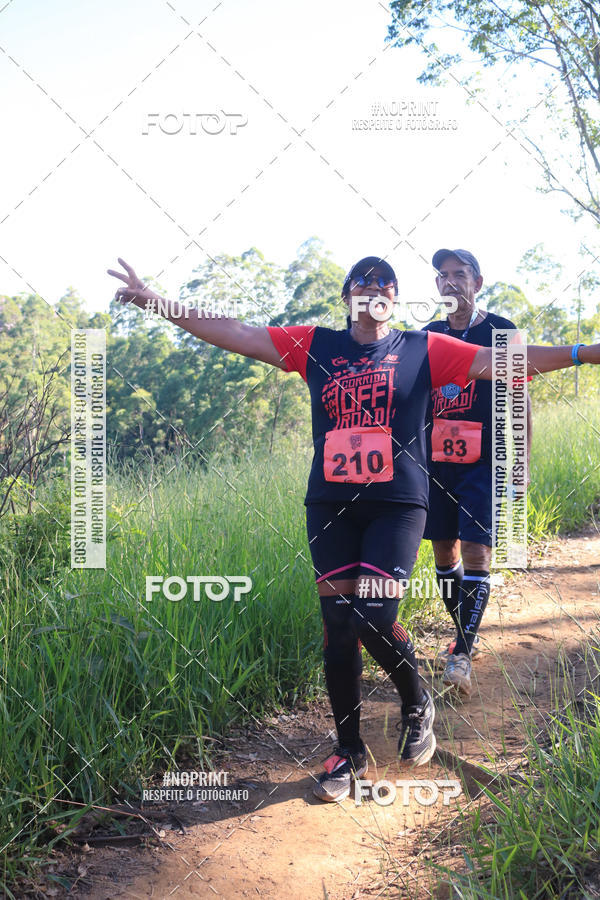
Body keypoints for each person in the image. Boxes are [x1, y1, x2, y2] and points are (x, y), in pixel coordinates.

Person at [108, 254, 599, 802]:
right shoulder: (314, 345)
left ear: (394, 299)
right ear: (347, 297)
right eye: (363, 282)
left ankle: (416, 701)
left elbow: (508, 359)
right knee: (337, 627)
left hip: (397, 506)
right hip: (331, 505)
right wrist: (155, 301)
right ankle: (349, 750)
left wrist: (585, 352)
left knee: (375, 616)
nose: (374, 289)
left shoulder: (423, 348)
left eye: (385, 283)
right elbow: (236, 332)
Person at [422, 249, 533, 698]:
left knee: (476, 553)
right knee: (443, 553)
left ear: (478, 282)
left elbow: (521, 398)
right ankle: (463, 635)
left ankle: (462, 653)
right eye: (442, 276)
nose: (450, 283)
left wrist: (520, 463)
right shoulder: (426, 335)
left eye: (459, 275)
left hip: (485, 461)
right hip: (436, 463)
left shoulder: (501, 330)